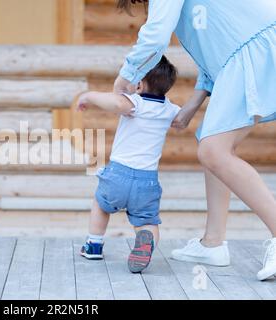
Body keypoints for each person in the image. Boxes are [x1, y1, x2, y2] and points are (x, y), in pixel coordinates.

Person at [114, 0, 276, 280]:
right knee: (211, 143)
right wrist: (193, 103)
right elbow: (217, 49)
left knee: (214, 151)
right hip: (242, 53)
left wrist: (125, 78)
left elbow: (155, 35)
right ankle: (212, 243)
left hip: (259, 43)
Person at [77, 56, 180, 273]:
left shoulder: (134, 102)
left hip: (118, 175)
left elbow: (116, 102)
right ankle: (146, 240)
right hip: (147, 182)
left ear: (140, 85)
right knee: (147, 221)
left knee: (101, 204)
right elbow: (181, 120)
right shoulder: (169, 109)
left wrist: (88, 95)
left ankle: (94, 245)